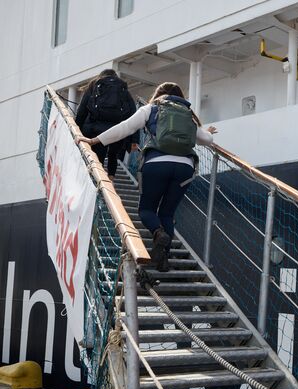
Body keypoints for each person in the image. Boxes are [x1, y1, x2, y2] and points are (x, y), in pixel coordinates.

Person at [76, 82, 217, 272]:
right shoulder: (188, 116)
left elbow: (125, 127)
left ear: (158, 94)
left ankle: (158, 233)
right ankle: (163, 259)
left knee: (147, 210)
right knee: (167, 213)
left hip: (156, 164)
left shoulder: (150, 109)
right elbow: (206, 140)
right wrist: (207, 133)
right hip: (185, 167)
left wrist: (95, 140)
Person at [75, 69, 138, 180]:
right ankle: (111, 179)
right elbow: (133, 113)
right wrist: (134, 139)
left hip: (96, 130)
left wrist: (76, 130)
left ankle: (97, 181)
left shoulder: (95, 86)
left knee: (98, 158)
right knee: (113, 155)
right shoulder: (122, 89)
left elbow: (82, 110)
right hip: (117, 130)